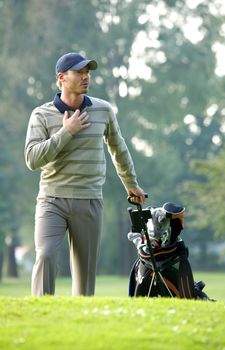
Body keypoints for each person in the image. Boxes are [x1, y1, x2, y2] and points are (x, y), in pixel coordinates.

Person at [25, 52, 145, 297]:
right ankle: (40, 311)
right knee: (46, 254)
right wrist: (66, 132)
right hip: (52, 200)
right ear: (61, 77)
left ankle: (79, 323)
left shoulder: (103, 110)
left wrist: (131, 184)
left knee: (85, 275)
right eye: (79, 72)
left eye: (87, 72)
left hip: (89, 200)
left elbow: (118, 148)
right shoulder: (42, 114)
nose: (85, 77)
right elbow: (32, 159)